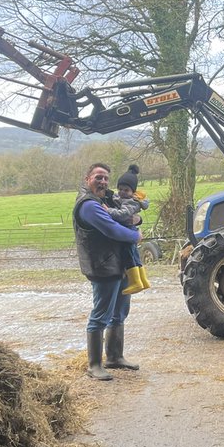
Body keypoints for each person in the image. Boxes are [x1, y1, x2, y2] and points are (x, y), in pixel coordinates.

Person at [73, 162, 142, 380]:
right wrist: (135, 235)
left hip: (118, 264)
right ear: (87, 179)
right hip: (102, 266)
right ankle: (94, 365)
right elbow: (112, 229)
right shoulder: (89, 205)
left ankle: (114, 357)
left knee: (119, 312)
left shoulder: (106, 199)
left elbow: (126, 214)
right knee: (101, 315)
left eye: (105, 178)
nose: (102, 181)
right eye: (98, 177)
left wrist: (136, 219)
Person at [108, 164, 151, 296]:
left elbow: (122, 214)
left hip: (128, 229)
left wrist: (107, 210)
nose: (122, 192)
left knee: (129, 255)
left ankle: (135, 282)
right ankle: (143, 281)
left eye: (126, 190)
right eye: (120, 189)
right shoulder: (126, 199)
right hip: (130, 228)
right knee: (135, 255)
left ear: (133, 192)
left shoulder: (130, 202)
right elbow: (118, 199)